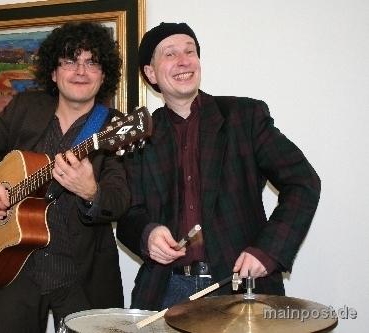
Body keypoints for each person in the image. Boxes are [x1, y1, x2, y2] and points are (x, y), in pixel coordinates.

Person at [117, 22, 321, 310]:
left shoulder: (245, 117)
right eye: (170, 54)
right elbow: (127, 214)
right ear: (150, 73)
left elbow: (303, 182)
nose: (184, 60)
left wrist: (268, 251)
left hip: (240, 287)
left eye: (190, 51)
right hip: (166, 290)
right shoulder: (140, 136)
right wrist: (147, 233)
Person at [0, 22, 130, 332]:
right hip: (18, 266)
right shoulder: (26, 109)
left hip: (82, 275)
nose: (80, 70)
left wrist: (91, 192)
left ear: (103, 74)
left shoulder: (114, 128)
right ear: (54, 72)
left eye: (92, 62)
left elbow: (119, 198)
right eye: (70, 60)